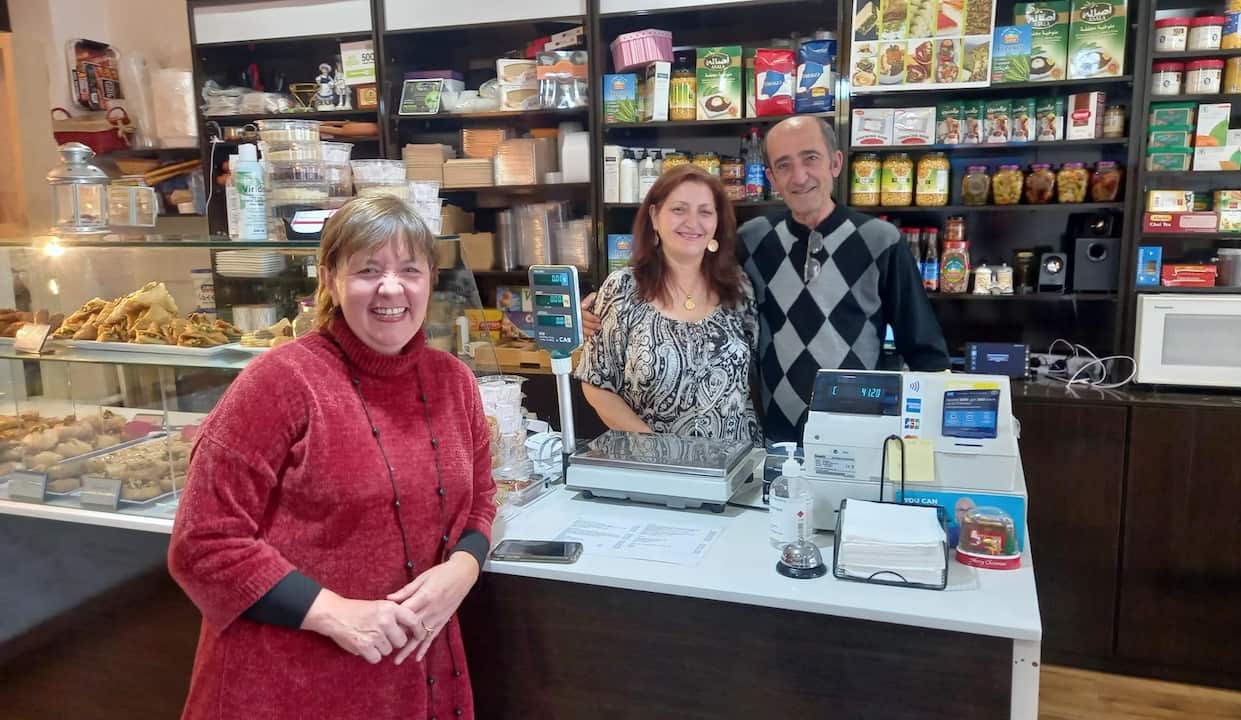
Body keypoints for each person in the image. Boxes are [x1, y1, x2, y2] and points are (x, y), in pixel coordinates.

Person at [168, 196, 496, 720]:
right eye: (368, 270)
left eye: (409, 270)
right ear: (329, 278)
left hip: (413, 682)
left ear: (430, 279)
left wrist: (463, 567)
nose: (391, 288)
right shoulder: (280, 382)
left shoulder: (453, 382)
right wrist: (334, 613)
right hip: (289, 684)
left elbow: (480, 500)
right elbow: (202, 542)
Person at [583, 117, 948, 444]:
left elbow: (925, 351)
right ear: (771, 177)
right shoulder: (754, 240)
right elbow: (685, 270)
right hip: (775, 440)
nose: (799, 176)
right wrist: (594, 309)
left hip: (857, 436)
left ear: (836, 163)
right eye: (783, 165)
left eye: (811, 158)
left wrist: (929, 443)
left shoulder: (880, 240)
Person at [576, 164, 761, 444]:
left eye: (705, 211)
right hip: (653, 472)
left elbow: (755, 372)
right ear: (654, 216)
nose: (692, 222)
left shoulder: (739, 287)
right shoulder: (623, 288)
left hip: (735, 471)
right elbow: (597, 384)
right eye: (679, 209)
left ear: (717, 223)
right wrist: (656, 450)